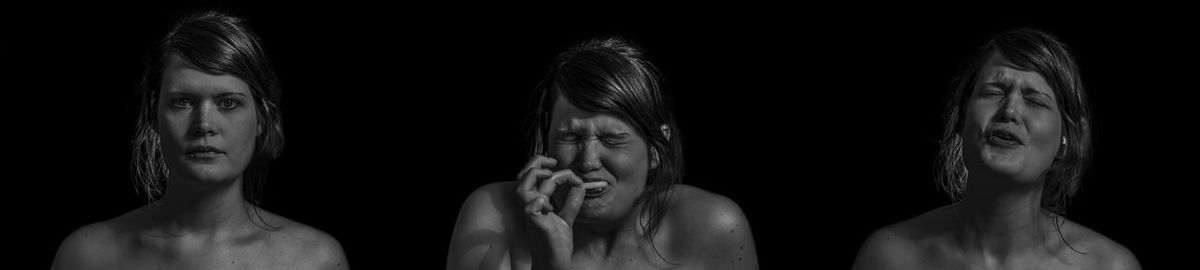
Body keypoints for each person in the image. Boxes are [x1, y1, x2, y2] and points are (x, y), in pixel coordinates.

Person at [51, 10, 347, 270]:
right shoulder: (87, 257)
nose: (204, 125)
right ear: (153, 113)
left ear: (261, 118)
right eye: (183, 102)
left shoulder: (312, 261)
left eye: (228, 103)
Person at [447, 37, 758, 269]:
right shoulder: (496, 217)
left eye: (612, 139)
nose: (588, 161)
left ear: (655, 150)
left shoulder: (712, 226)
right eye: (570, 137)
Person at [852, 28, 1139, 269]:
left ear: (1066, 140)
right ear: (960, 119)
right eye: (993, 92)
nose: (1010, 110)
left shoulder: (1109, 266)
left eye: (1035, 100)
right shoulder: (889, 258)